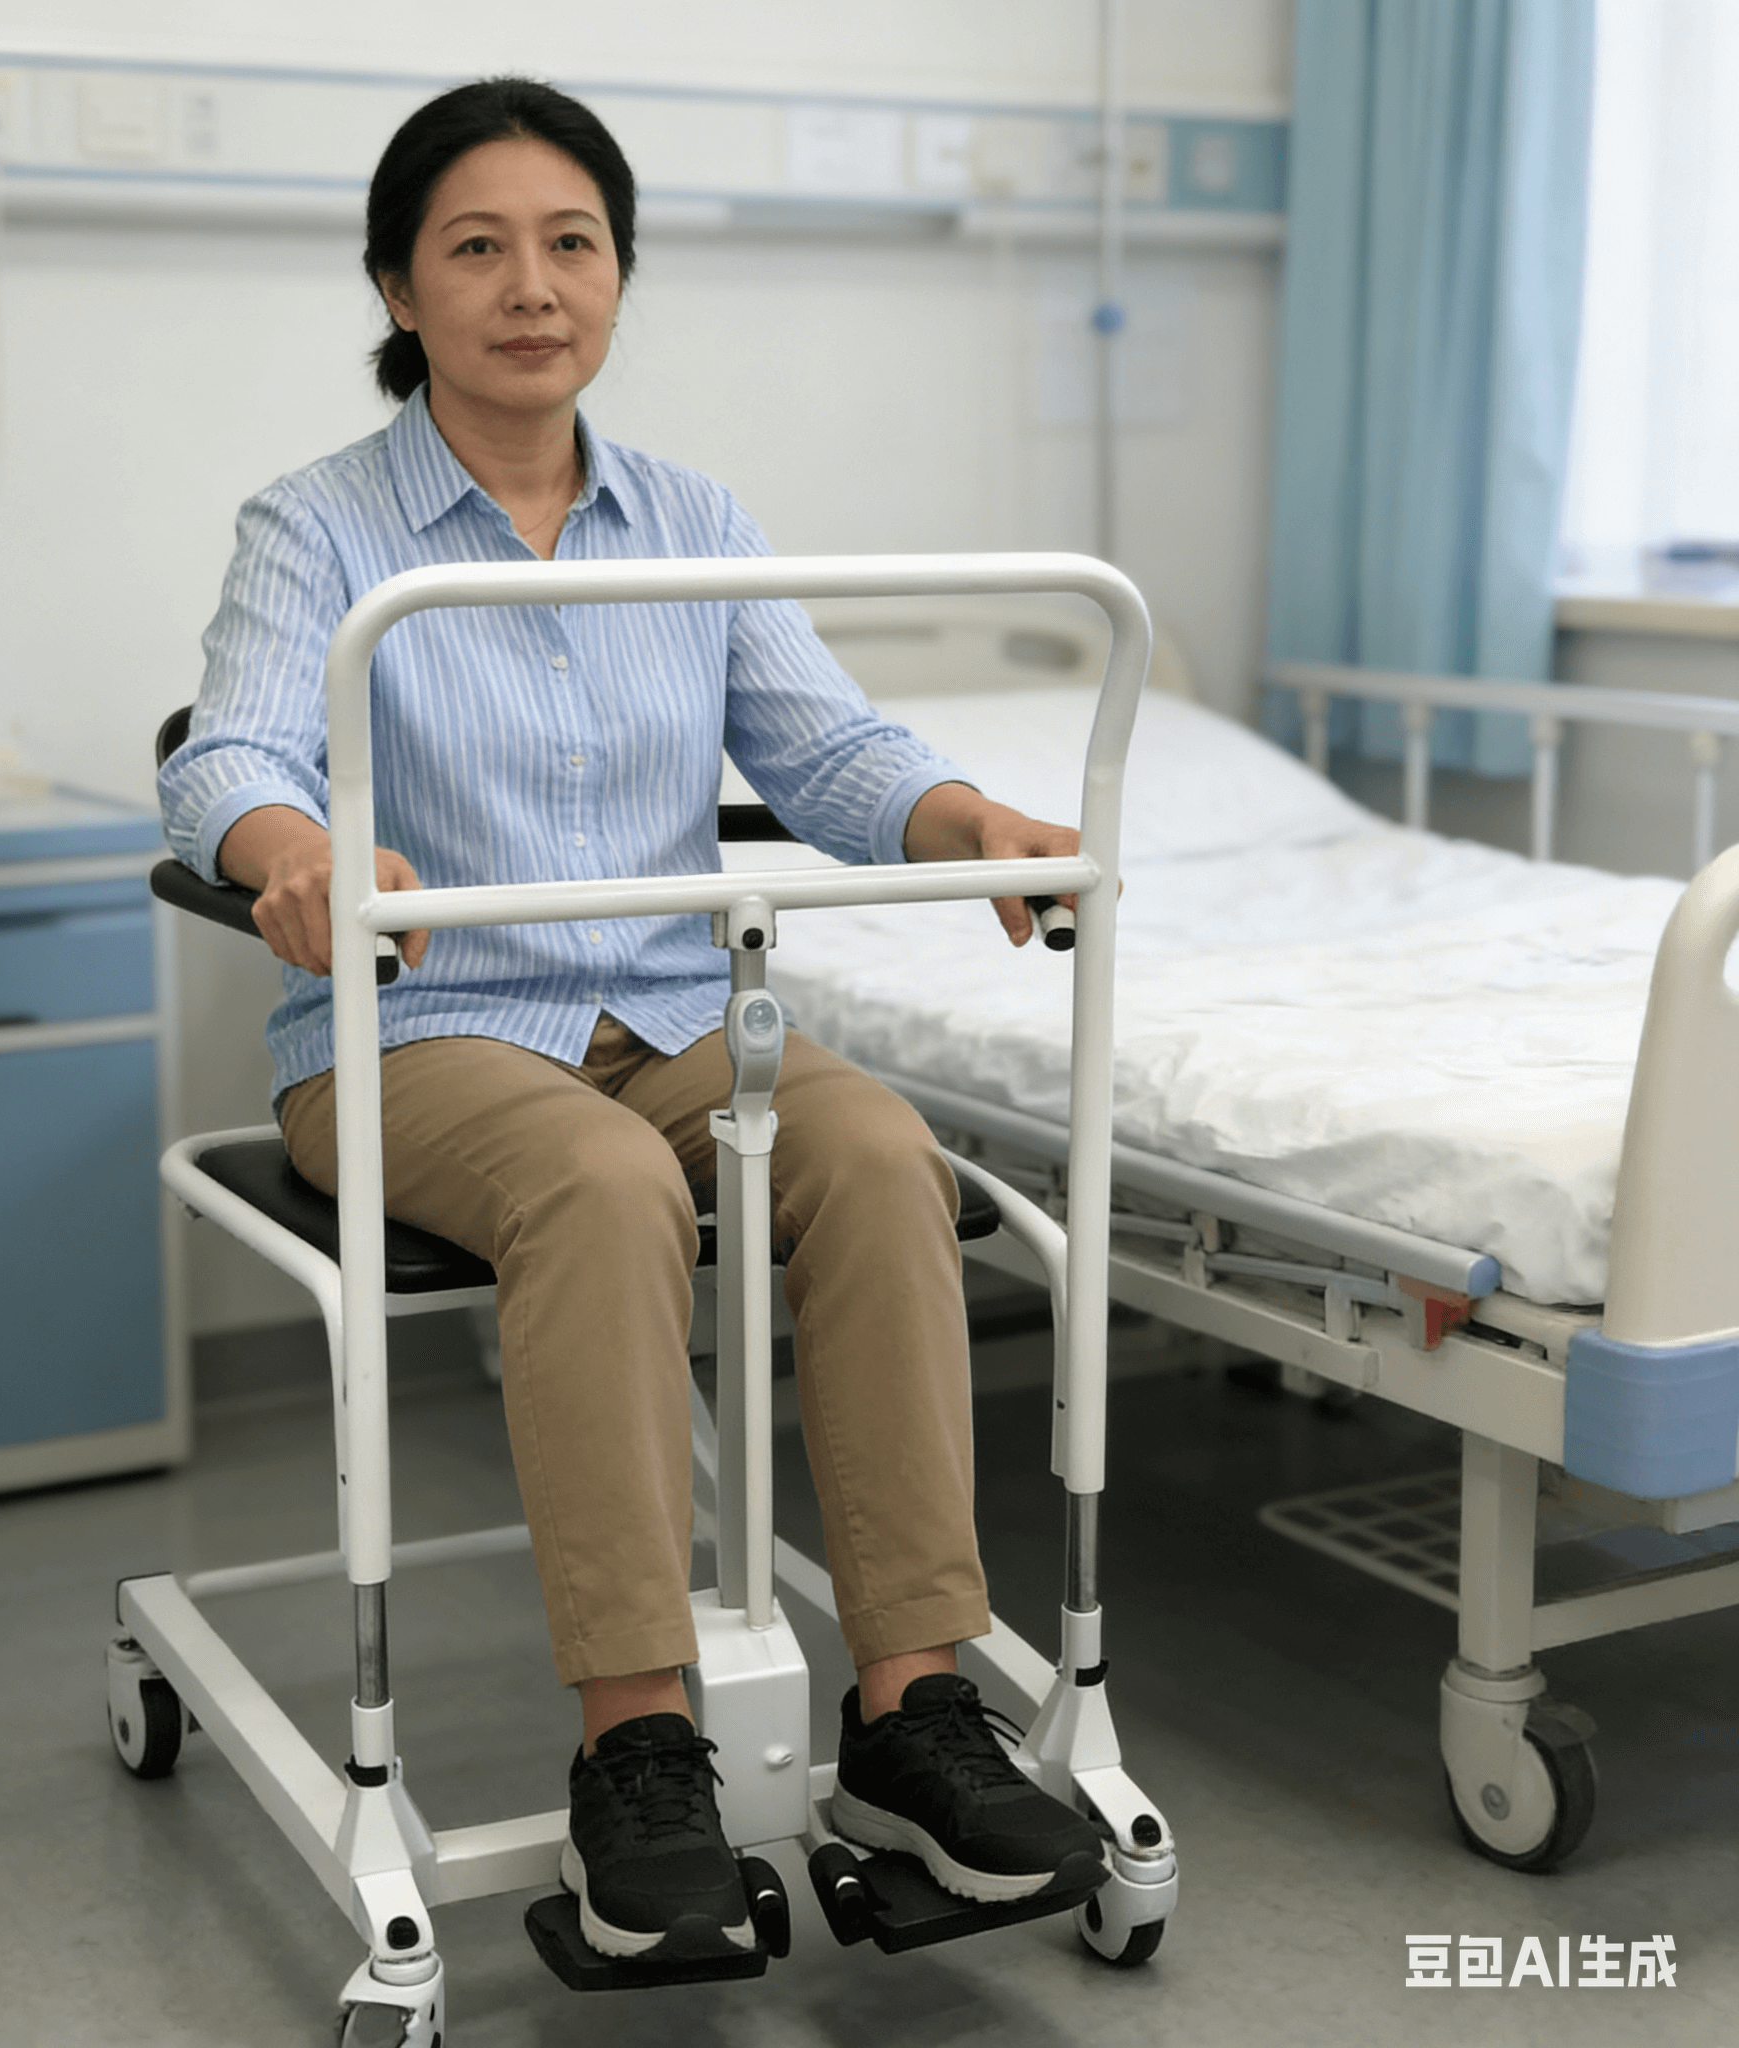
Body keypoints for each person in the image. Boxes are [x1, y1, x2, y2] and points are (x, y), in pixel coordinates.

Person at [160, 76, 1105, 1965]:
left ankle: (912, 1708)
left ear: (617, 273)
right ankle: (638, 1744)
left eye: (571, 243)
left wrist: (968, 822)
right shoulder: (320, 526)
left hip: (674, 1012)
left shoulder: (690, 519)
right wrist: (292, 849)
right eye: (477, 247)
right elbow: (232, 755)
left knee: (876, 1147)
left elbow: (829, 750)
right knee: (599, 1183)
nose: (532, 286)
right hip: (417, 1036)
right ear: (399, 287)